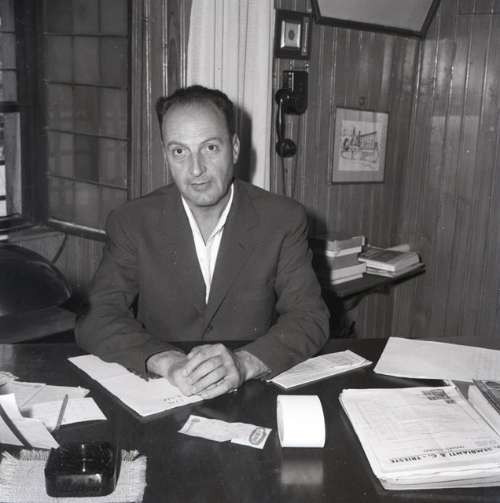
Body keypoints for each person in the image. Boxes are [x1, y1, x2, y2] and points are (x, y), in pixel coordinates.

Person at [75, 85, 329, 400]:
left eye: (210, 148)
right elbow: (97, 316)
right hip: (165, 392)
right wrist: (166, 362)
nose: (196, 169)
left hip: (249, 393)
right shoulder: (132, 222)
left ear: (234, 148)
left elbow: (309, 317)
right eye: (179, 151)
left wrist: (244, 363)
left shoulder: (282, 219)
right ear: (166, 154)